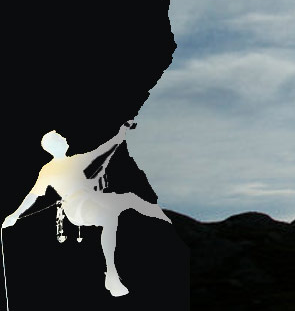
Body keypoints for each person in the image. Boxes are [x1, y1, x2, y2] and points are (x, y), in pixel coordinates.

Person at [2, 121, 171, 297]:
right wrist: (15, 215)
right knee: (109, 217)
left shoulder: (71, 162)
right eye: (61, 138)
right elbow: (33, 195)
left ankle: (164, 218)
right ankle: (112, 274)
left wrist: (121, 133)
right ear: (55, 145)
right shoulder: (50, 169)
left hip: (91, 199)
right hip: (78, 208)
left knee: (128, 198)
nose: (65, 139)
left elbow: (103, 149)